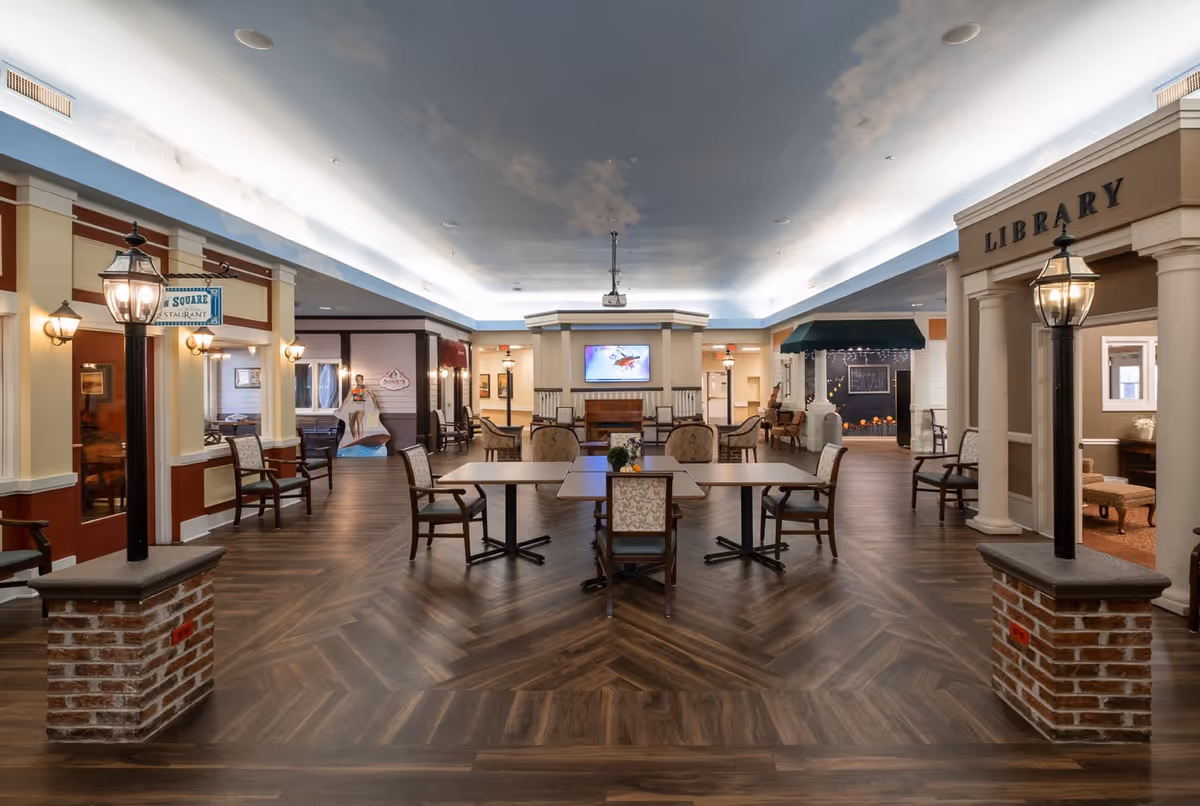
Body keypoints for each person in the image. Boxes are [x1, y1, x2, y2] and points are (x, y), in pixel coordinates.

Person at [338, 374, 379, 442]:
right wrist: (341, 407)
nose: (358, 381)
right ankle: (354, 438)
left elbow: (373, 396)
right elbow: (347, 398)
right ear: (355, 380)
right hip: (353, 406)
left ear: (362, 380)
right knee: (351, 422)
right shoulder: (353, 388)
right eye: (357, 379)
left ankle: (360, 438)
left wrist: (375, 405)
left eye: (360, 379)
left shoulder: (366, 388)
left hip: (361, 406)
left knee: (359, 420)